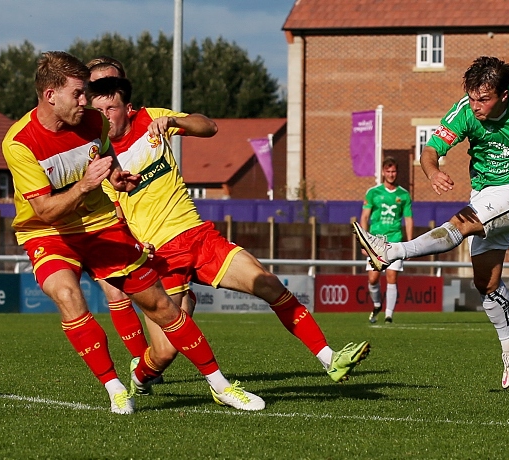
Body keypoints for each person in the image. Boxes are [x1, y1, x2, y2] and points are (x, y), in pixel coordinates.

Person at [1, 51, 264, 414]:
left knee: (160, 306)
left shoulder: (93, 121)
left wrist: (116, 176)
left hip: (100, 224)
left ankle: (220, 386)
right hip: (48, 231)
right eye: (78, 93)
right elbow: (44, 209)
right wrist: (83, 187)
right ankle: (115, 390)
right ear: (50, 96)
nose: (85, 101)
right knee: (66, 292)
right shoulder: (19, 142)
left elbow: (105, 154)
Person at [86, 75, 370, 396]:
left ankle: (329, 358)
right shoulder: (95, 156)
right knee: (164, 352)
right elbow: (107, 213)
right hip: (159, 257)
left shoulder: (152, 119)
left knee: (268, 282)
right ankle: (139, 378)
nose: (105, 116)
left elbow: (208, 127)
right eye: (99, 111)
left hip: (199, 237)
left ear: (129, 108)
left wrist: (174, 121)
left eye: (111, 108)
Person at [352, 56, 509, 389]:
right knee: (487, 284)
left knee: (463, 223)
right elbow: (430, 150)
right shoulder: (464, 112)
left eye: (484, 99)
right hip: (485, 194)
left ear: (504, 95)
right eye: (472, 98)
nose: (476, 106)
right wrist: (433, 171)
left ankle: (391, 250)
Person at [359, 156, 413, 324]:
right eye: (388, 171)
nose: (391, 174)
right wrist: (364, 241)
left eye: (394, 171)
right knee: (373, 279)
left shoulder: (403, 194)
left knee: (392, 277)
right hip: (376, 242)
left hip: (395, 240)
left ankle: (389, 315)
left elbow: (408, 219)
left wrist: (409, 244)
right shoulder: (373, 192)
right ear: (383, 172)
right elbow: (364, 217)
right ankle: (377, 305)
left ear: (397, 172)